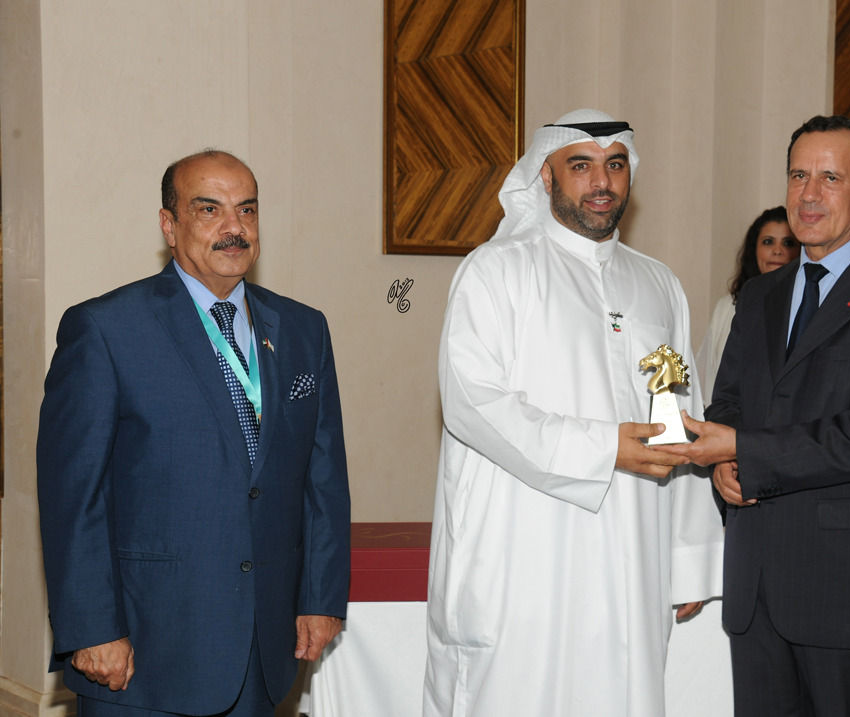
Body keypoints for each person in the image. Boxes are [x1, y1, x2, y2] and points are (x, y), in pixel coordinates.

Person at [423, 109, 724, 717]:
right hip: (522, 551)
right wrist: (603, 448)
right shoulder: (495, 271)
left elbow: (679, 414)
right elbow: (472, 402)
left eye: (616, 165)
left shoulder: (659, 284)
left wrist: (688, 557)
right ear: (546, 176)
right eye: (581, 166)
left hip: (633, 552)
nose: (601, 182)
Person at [37, 150, 351, 716]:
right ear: (169, 224)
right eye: (210, 210)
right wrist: (91, 628)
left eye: (247, 210)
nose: (235, 227)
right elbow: (73, 494)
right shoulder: (105, 328)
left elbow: (322, 478)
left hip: (262, 645)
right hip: (142, 651)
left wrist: (321, 598)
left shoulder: (305, 329)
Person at [665, 116, 850, 716]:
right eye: (798, 176)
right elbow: (728, 402)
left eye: (830, 178)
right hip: (758, 592)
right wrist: (724, 469)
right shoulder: (759, 296)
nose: (809, 194)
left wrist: (741, 450)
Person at [696, 206, 799, 404]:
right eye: (768, 242)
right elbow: (706, 375)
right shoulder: (727, 306)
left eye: (788, 243)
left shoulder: (804, 306)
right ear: (754, 250)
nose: (777, 251)